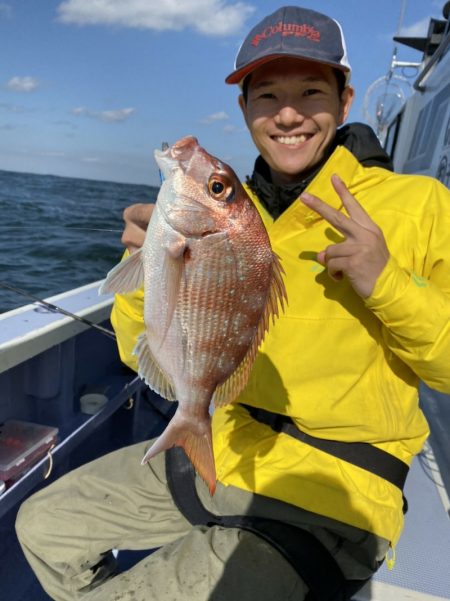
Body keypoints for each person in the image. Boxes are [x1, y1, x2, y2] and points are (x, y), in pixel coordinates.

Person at [16, 5, 450, 601]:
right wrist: (146, 275)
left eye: (311, 91)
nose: (289, 113)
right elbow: (145, 351)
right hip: (222, 447)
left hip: (332, 490)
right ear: (245, 109)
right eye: (267, 94)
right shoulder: (240, 217)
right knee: (41, 526)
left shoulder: (421, 204)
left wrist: (389, 284)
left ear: (346, 100)